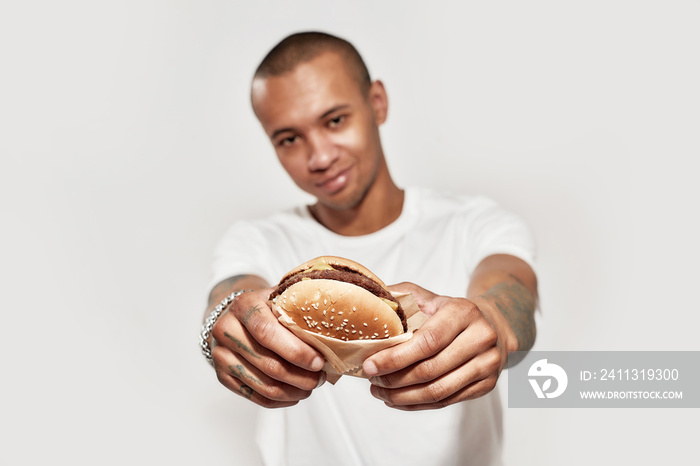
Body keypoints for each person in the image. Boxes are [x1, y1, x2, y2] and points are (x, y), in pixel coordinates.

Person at [202, 31, 538, 466]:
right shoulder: (257, 240)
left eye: (335, 120)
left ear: (377, 102)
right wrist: (225, 327)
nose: (319, 156)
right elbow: (231, 297)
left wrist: (492, 322)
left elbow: (513, 299)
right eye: (288, 139)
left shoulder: (475, 223)